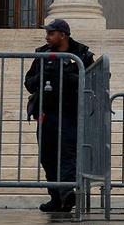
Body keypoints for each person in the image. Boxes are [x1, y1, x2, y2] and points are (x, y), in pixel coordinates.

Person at [24, 18, 95, 213]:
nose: (47, 37)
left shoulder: (82, 55)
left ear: (62, 35)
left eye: (51, 33)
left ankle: (65, 193)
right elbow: (28, 82)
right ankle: (57, 198)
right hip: (47, 113)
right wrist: (42, 77)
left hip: (71, 114)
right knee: (47, 157)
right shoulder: (42, 54)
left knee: (67, 156)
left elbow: (92, 81)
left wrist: (67, 75)